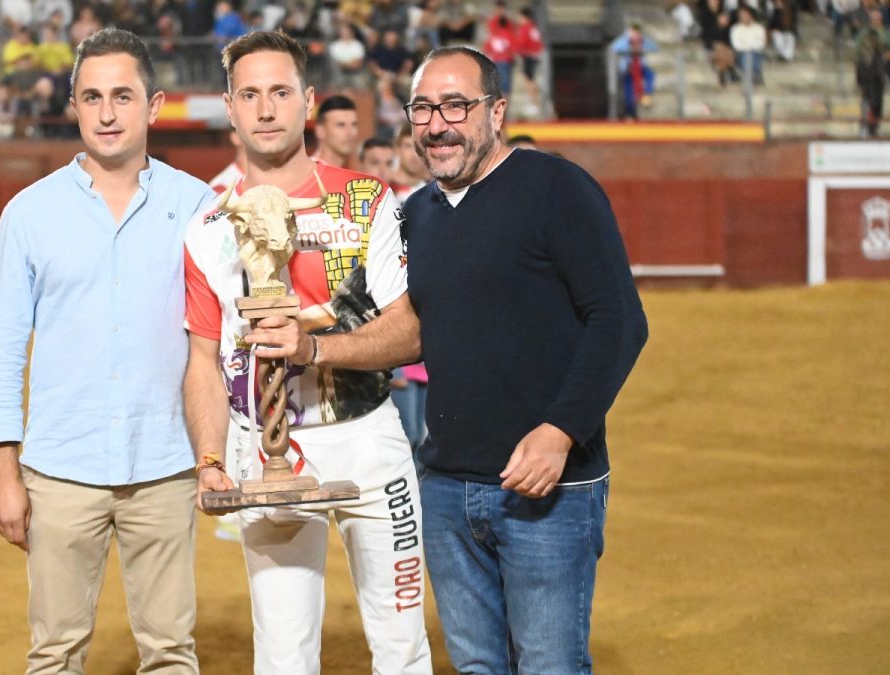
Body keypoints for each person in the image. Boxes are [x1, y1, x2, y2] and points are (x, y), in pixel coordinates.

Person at [245, 46, 648, 674]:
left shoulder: (557, 188)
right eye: (423, 109)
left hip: (547, 487)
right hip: (448, 487)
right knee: (478, 667)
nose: (437, 124)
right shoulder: (418, 217)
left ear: (497, 111)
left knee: (550, 665)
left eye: (456, 105)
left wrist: (560, 431)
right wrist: (312, 340)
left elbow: (620, 320)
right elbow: (410, 333)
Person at [182, 30, 432, 675]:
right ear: (230, 108)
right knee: (284, 655)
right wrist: (210, 459)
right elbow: (202, 362)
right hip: (265, 448)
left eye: (280, 92)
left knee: (403, 647)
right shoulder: (207, 226)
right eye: (250, 94)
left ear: (308, 102)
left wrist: (314, 346)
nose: (266, 109)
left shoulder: (367, 201)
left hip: (369, 439)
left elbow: (411, 333)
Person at [0, 28, 216, 675]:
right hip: (58, 472)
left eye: (122, 96)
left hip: (164, 465)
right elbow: (0, 349)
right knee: (54, 653)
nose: (107, 114)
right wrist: (5, 471)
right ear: (75, 106)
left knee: (171, 652)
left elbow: (219, 344)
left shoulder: (199, 206)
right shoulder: (29, 213)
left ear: (155, 105)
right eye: (92, 97)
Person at [855, 8, 890, 136]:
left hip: (880, 71)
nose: (875, 21)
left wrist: (884, 56)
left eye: (877, 18)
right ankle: (865, 125)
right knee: (867, 99)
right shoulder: (863, 34)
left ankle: (875, 126)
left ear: (881, 19)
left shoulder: (886, 34)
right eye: (873, 18)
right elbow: (858, 51)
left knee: (878, 100)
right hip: (866, 72)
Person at [611, 23, 658, 119]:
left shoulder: (643, 41)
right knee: (629, 92)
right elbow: (614, 47)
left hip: (640, 67)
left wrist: (642, 45)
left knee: (650, 75)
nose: (635, 36)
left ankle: (646, 95)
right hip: (628, 69)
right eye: (633, 33)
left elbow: (654, 47)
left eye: (637, 33)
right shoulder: (625, 41)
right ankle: (630, 113)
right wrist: (627, 41)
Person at [311, 93, 359, 168]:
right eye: (341, 125)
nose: (350, 132)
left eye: (354, 125)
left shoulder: (352, 176)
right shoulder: (306, 174)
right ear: (320, 131)